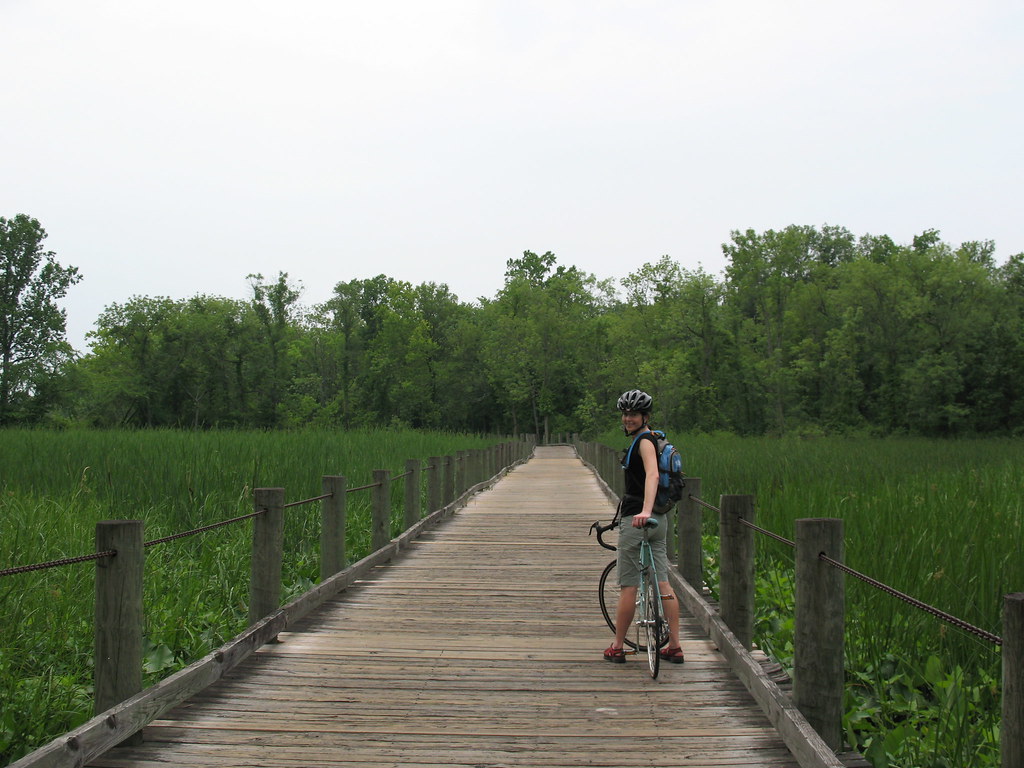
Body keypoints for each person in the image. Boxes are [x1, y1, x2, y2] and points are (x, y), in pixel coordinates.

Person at [603, 389, 684, 664]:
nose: (628, 418)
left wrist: (645, 510)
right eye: (625, 414)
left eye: (634, 414)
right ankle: (674, 646)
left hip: (638, 519)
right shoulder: (653, 438)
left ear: (645, 416)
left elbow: (653, 475)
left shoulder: (645, 442)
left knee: (629, 585)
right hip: (659, 521)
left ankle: (617, 646)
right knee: (662, 581)